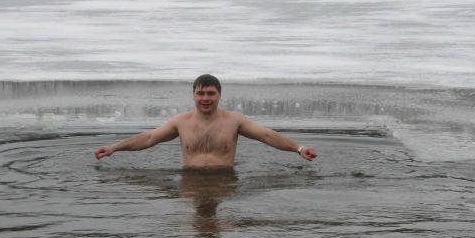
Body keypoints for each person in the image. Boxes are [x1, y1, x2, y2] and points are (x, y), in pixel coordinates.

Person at [93, 75, 317, 168]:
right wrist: (114, 148)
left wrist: (299, 148)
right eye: (201, 94)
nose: (206, 98)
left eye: (211, 93)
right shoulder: (181, 122)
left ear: (219, 95)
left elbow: (267, 135)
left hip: (225, 181)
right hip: (190, 182)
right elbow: (150, 138)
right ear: (194, 95)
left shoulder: (234, 120)